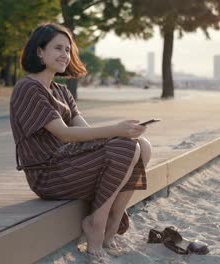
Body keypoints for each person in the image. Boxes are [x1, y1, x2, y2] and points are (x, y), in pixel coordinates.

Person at [9, 23, 152, 259]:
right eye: (58, 48)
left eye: (67, 50)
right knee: (125, 146)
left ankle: (113, 219)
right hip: (48, 174)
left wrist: (122, 130)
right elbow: (64, 134)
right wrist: (116, 130)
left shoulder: (61, 91)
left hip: (69, 163)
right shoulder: (28, 88)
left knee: (142, 146)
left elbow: (87, 132)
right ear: (39, 51)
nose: (65, 55)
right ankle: (97, 222)